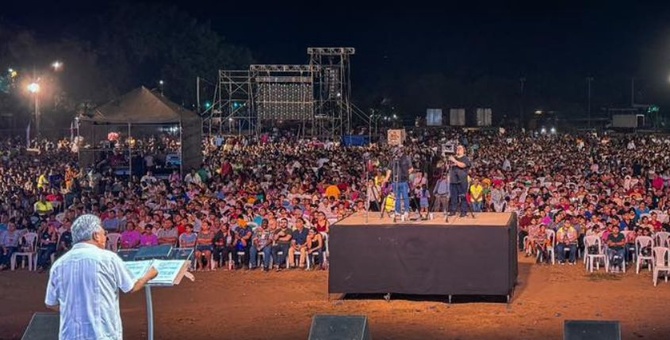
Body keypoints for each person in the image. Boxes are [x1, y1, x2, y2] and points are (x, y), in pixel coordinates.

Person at [44, 214, 158, 340]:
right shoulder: (108, 259)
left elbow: (51, 303)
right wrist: (148, 275)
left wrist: (76, 312)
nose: (105, 237)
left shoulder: (59, 264)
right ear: (96, 235)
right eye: (104, 233)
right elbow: (131, 287)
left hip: (70, 334)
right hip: (102, 334)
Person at [448, 145, 472, 217]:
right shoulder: (453, 157)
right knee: (453, 196)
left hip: (462, 180)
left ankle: (463, 211)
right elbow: (448, 166)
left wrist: (454, 160)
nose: (458, 149)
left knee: (463, 196)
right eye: (457, 148)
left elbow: (463, 165)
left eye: (460, 148)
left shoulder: (465, 158)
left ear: (463, 150)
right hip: (453, 180)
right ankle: (453, 210)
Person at [389, 146, 412, 218]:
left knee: (405, 196)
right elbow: (389, 169)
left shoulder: (407, 158)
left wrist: (406, 175)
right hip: (395, 180)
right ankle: (397, 211)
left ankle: (406, 211)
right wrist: (387, 178)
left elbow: (411, 168)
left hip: (403, 180)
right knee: (397, 197)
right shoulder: (393, 159)